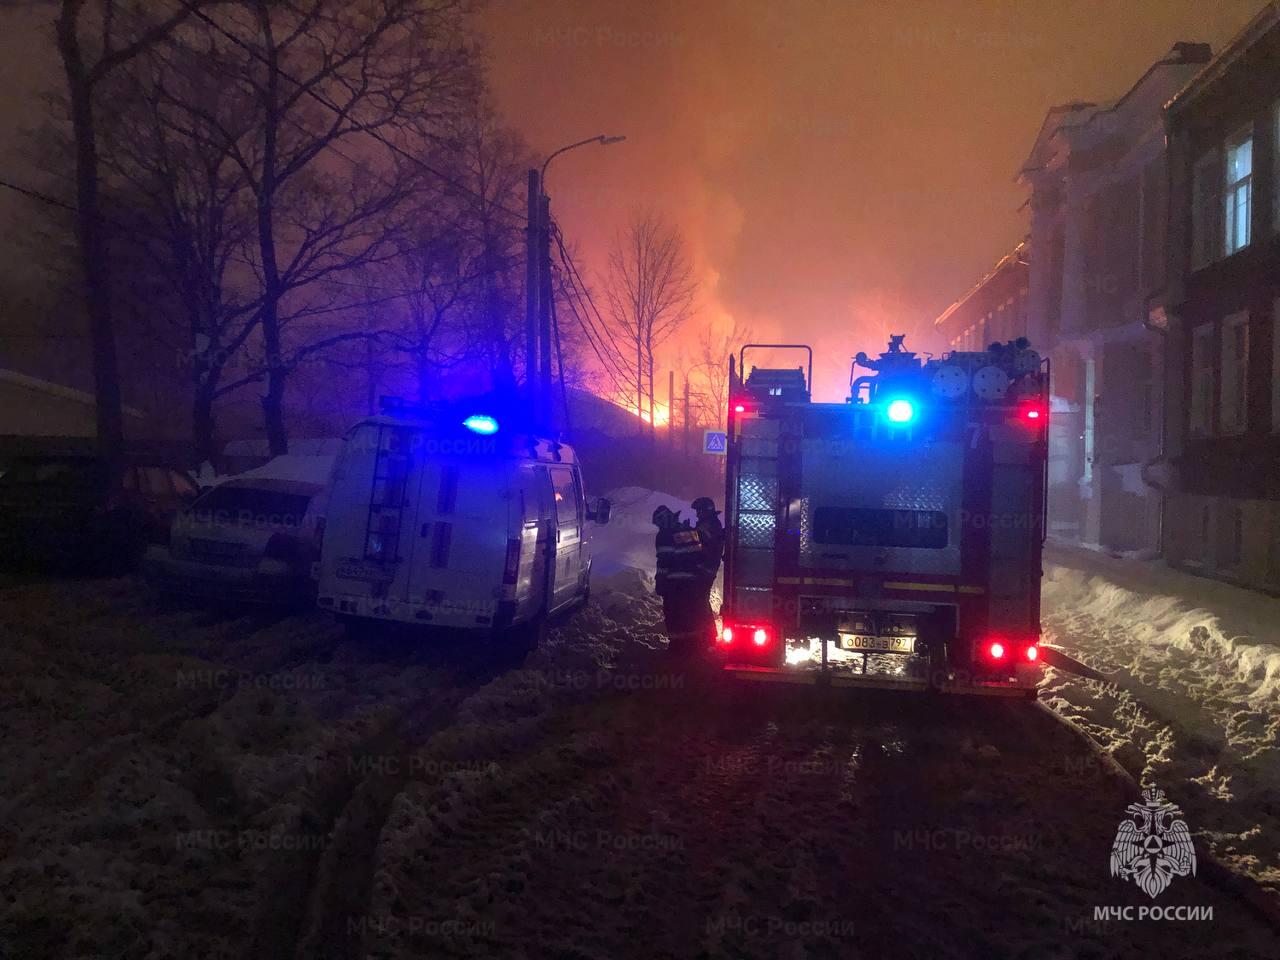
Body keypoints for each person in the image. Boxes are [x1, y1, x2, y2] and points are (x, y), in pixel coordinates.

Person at [652, 504, 704, 658]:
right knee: (690, 614)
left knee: (674, 615)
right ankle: (694, 647)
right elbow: (698, 556)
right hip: (693, 583)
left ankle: (677, 648)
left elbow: (664, 561)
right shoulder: (688, 531)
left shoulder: (664, 535)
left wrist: (660, 582)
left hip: (675, 584)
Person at [691, 496, 724, 645]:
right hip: (705, 568)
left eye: (699, 511)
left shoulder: (709, 525)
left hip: (705, 569)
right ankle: (706, 635)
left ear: (705, 510)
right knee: (700, 600)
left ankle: (708, 636)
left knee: (700, 600)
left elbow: (701, 545)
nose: (697, 514)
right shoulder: (711, 524)